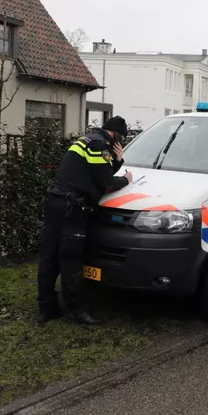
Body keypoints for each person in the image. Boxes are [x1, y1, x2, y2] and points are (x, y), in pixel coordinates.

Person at [37, 117, 134, 325]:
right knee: (71, 259)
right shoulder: (100, 145)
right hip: (72, 208)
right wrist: (126, 179)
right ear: (115, 134)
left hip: (56, 202)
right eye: (121, 138)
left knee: (50, 257)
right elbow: (106, 181)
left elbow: (99, 171)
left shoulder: (86, 140)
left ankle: (47, 307)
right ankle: (77, 311)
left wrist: (117, 160)